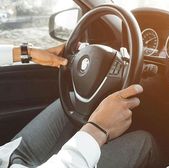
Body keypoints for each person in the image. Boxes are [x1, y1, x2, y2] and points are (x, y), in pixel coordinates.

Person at [0, 44, 160, 168]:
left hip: (8, 156)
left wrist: (28, 52)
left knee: (74, 101)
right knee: (144, 142)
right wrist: (97, 129)